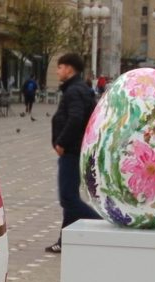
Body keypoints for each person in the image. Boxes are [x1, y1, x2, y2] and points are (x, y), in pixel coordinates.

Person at [46, 53, 101, 253]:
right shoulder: (79, 89)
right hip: (77, 150)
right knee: (70, 197)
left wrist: (62, 142)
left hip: (72, 151)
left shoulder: (74, 91)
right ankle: (65, 241)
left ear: (69, 69)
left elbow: (76, 118)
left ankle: (101, 224)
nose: (57, 71)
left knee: (68, 197)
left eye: (60, 67)